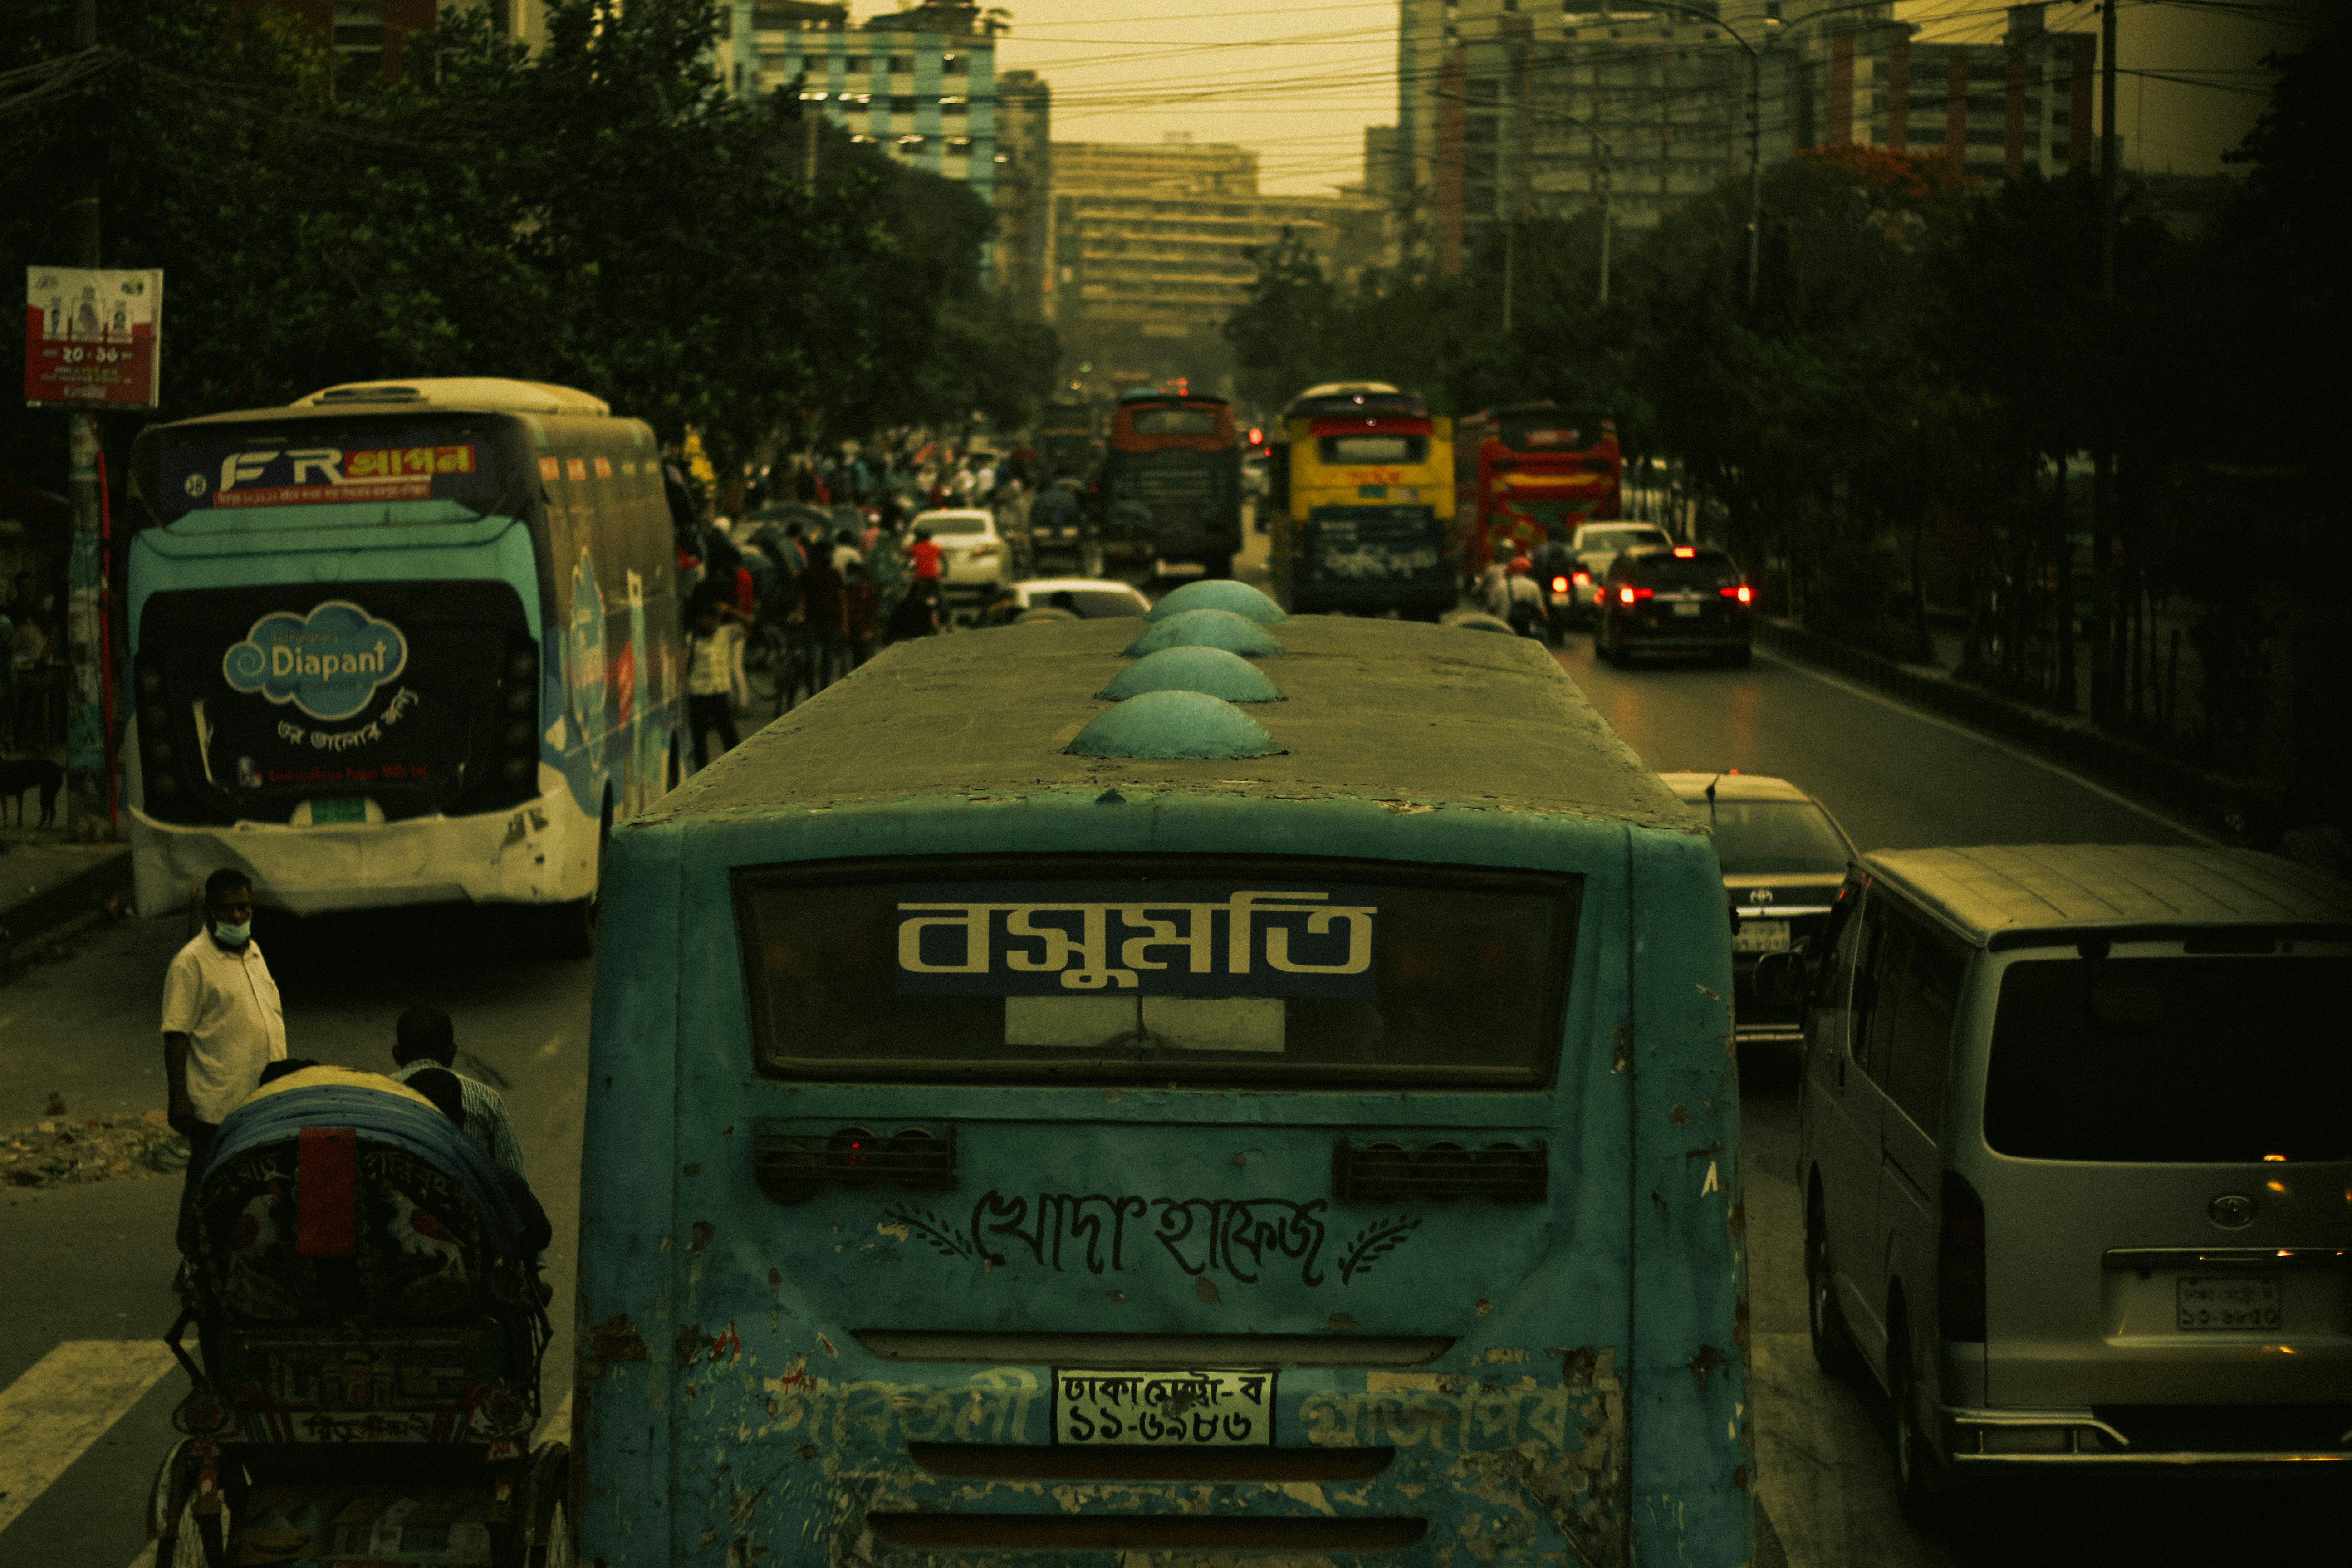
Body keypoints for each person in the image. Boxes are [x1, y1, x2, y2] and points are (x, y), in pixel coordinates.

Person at [162, 868, 287, 1235]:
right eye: (228, 910)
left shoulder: (253, 951)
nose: (237, 917)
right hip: (216, 1105)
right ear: (209, 911)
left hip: (261, 1099)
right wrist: (178, 1098)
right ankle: (190, 1257)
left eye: (244, 908)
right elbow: (176, 1034)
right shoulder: (190, 963)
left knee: (255, 1190)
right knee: (206, 1187)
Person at [387, 1004, 527, 1180]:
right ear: (452, 1052)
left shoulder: (377, 1094)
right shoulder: (486, 1099)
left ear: (396, 1054)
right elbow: (513, 1176)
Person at [685, 598, 742, 769]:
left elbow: (750, 622)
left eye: (716, 618)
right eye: (709, 619)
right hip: (699, 695)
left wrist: (729, 609)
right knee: (700, 741)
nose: (713, 622)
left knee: (730, 737)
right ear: (701, 620)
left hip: (720, 694)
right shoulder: (691, 640)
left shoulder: (726, 634)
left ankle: (739, 769)